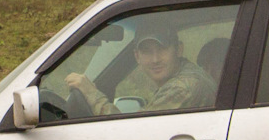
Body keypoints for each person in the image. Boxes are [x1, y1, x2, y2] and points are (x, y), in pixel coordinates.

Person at [66, 25, 216, 114]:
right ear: (137, 56)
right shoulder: (185, 77)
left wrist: (91, 94)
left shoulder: (182, 88)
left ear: (179, 49)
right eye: (147, 51)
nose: (155, 59)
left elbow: (132, 133)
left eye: (162, 48)